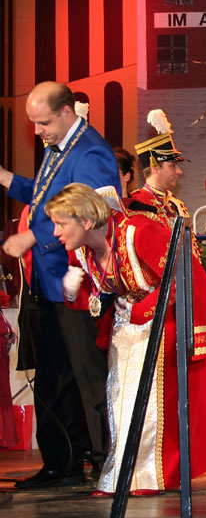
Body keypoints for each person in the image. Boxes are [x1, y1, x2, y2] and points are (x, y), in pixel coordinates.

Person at [47, 183, 206, 495]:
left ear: (86, 221)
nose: (56, 232)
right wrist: (72, 291)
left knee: (150, 404)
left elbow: (179, 278)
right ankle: (120, 476)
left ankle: (150, 476)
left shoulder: (139, 231)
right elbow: (97, 295)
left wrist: (141, 310)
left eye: (61, 224)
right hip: (128, 325)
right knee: (119, 399)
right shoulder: (83, 251)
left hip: (164, 322)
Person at [0, 82, 119, 488]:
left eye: (43, 122)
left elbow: (92, 213)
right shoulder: (61, 148)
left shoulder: (91, 152)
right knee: (54, 375)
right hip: (47, 281)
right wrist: (5, 179)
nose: (37, 131)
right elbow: (43, 198)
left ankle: (107, 462)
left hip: (77, 284)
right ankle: (63, 462)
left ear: (68, 111)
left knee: (88, 377)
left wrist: (32, 237)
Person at [129, 110, 189, 224]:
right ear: (155, 168)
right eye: (172, 166)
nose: (179, 171)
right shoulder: (136, 203)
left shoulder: (176, 204)